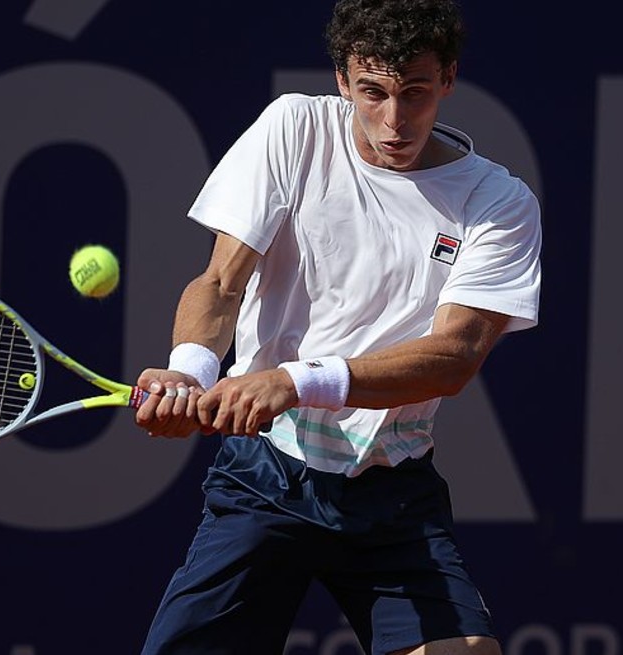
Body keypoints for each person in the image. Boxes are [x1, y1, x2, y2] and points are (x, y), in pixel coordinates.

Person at [133, 0, 541, 652]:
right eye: (373, 92)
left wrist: (295, 380)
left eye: (415, 93)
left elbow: (454, 355)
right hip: (268, 474)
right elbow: (220, 282)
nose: (394, 120)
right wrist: (191, 369)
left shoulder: (497, 202)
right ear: (343, 80)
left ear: (449, 79)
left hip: (394, 492)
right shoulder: (294, 129)